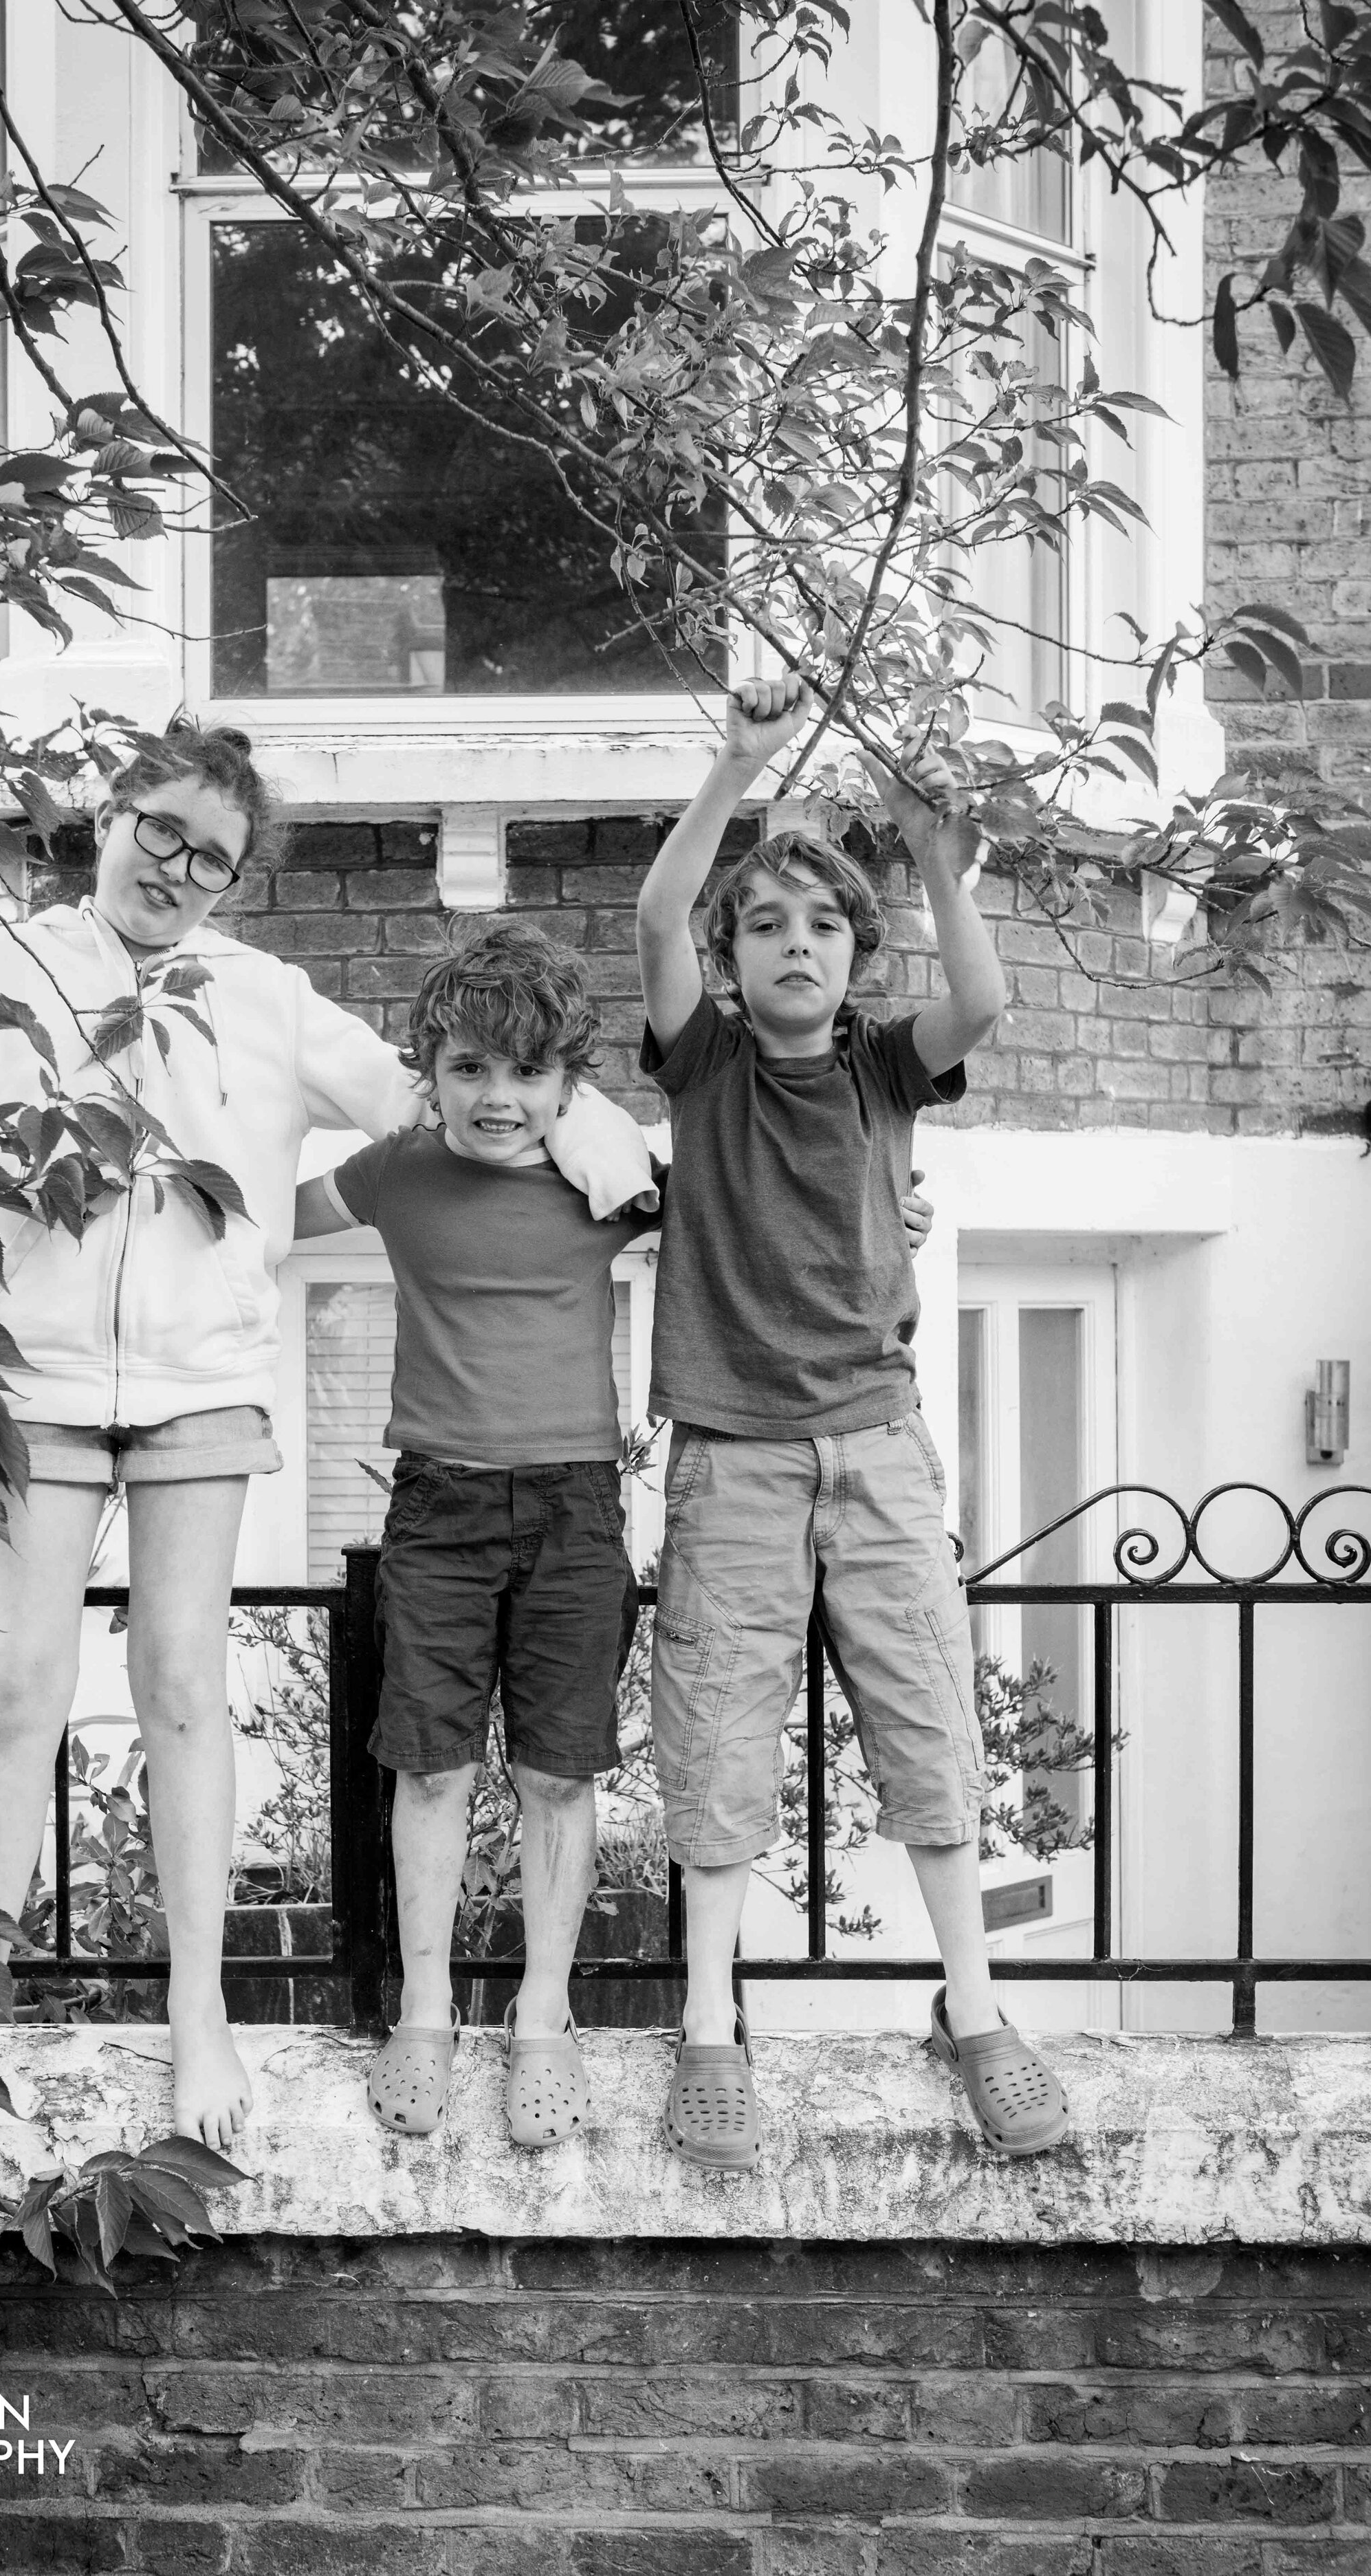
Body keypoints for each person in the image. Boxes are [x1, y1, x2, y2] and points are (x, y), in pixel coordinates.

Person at [0, 728, 646, 2172]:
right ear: (110, 814)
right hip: (38, 1380)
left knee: (181, 1687)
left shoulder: (264, 997)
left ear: (235, 875)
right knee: (15, 1686)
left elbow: (441, 1089)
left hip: (201, 1388)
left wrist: (590, 1121)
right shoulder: (8, 972)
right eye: (160, 829)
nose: (176, 867)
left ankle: (200, 2012)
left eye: (210, 853)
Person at [293, 917, 936, 2148]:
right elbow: (265, 1219)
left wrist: (885, 1213)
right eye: (469, 1067)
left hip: (577, 1507)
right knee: (429, 1763)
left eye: (526, 1074)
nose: (496, 1097)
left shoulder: (616, 1183)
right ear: (431, 1067)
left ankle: (543, 2017)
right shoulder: (393, 1173)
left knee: (558, 1771)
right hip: (437, 1506)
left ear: (567, 1081)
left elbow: (767, 1219)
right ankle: (425, 2012)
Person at [635, 673, 1071, 2168]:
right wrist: (737, 771)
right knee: (715, 1737)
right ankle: (709, 2023)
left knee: (928, 1731)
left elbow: (984, 1000)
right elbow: (650, 923)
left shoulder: (888, 1066)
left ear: (854, 953)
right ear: (733, 956)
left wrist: (931, 852)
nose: (793, 944)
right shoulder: (701, 1065)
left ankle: (973, 2009)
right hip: (732, 1454)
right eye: (764, 925)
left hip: (877, 1447)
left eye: (822, 925)